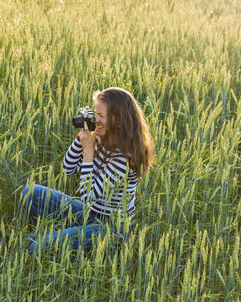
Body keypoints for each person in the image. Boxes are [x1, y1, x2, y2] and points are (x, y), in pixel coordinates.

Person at [20, 87, 154, 255]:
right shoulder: (101, 138)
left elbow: (87, 196)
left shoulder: (124, 159)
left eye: (101, 116)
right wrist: (81, 138)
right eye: (94, 114)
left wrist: (89, 151)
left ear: (118, 120)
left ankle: (61, 242)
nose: (95, 120)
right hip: (89, 213)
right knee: (30, 193)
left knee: (36, 248)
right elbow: (68, 168)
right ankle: (56, 236)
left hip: (110, 228)